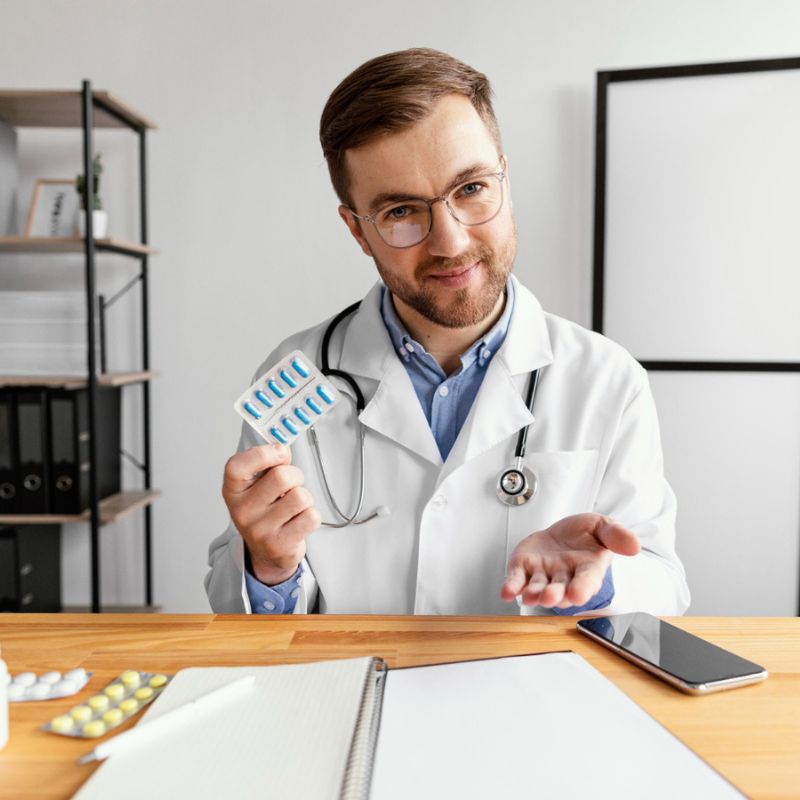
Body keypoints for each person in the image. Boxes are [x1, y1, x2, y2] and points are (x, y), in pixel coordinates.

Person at [206, 48, 690, 616]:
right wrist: (268, 566)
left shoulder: (606, 378)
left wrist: (600, 581)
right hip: (357, 694)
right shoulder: (297, 374)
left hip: (529, 696)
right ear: (358, 231)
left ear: (504, 179)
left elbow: (663, 585)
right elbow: (233, 611)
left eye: (471, 189)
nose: (451, 242)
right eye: (401, 212)